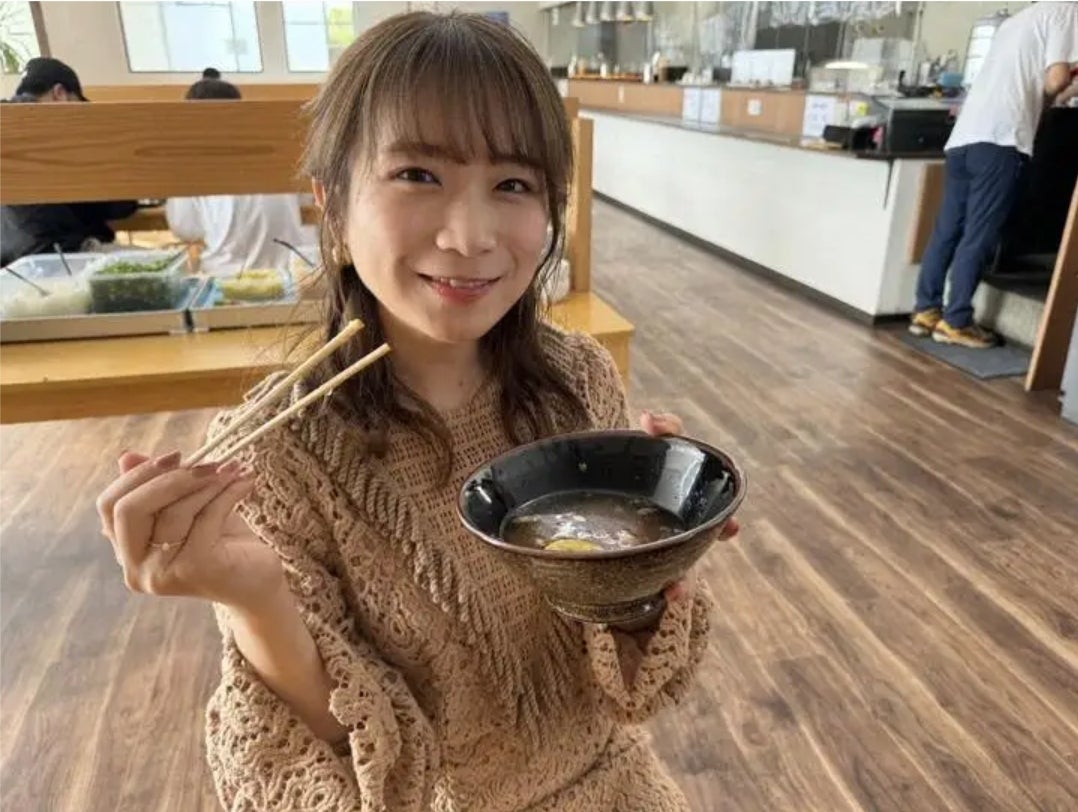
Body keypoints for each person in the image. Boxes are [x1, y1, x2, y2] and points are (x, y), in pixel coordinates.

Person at [95, 12, 738, 811]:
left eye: (513, 184)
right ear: (332, 204)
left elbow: (624, 678)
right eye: (417, 175)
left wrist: (649, 542)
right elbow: (347, 762)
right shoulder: (271, 458)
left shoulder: (578, 381)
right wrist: (253, 596)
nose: (470, 236)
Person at [909, 2, 1078, 349]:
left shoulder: (1017, 21)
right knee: (979, 233)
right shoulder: (1066, 11)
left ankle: (926, 310)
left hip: (965, 136)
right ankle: (956, 321)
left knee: (947, 230)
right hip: (1001, 138)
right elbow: (1056, 80)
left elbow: (1038, 82)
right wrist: (1062, 89)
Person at [164, 69, 309, 275]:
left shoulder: (193, 164)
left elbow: (185, 229)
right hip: (288, 270)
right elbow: (306, 200)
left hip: (226, 275)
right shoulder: (275, 150)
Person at [0, 58, 138, 265]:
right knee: (170, 267)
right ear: (60, 94)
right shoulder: (57, 133)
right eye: (79, 104)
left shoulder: (9, 125)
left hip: (9, 267)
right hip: (62, 257)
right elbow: (121, 206)